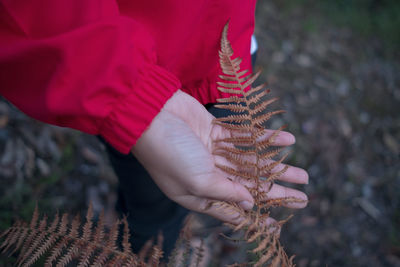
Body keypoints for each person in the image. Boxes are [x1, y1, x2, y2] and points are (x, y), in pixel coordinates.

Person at [0, 0, 308, 255]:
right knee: (154, 213)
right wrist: (135, 99)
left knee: (177, 197)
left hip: (228, 56)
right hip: (139, 71)